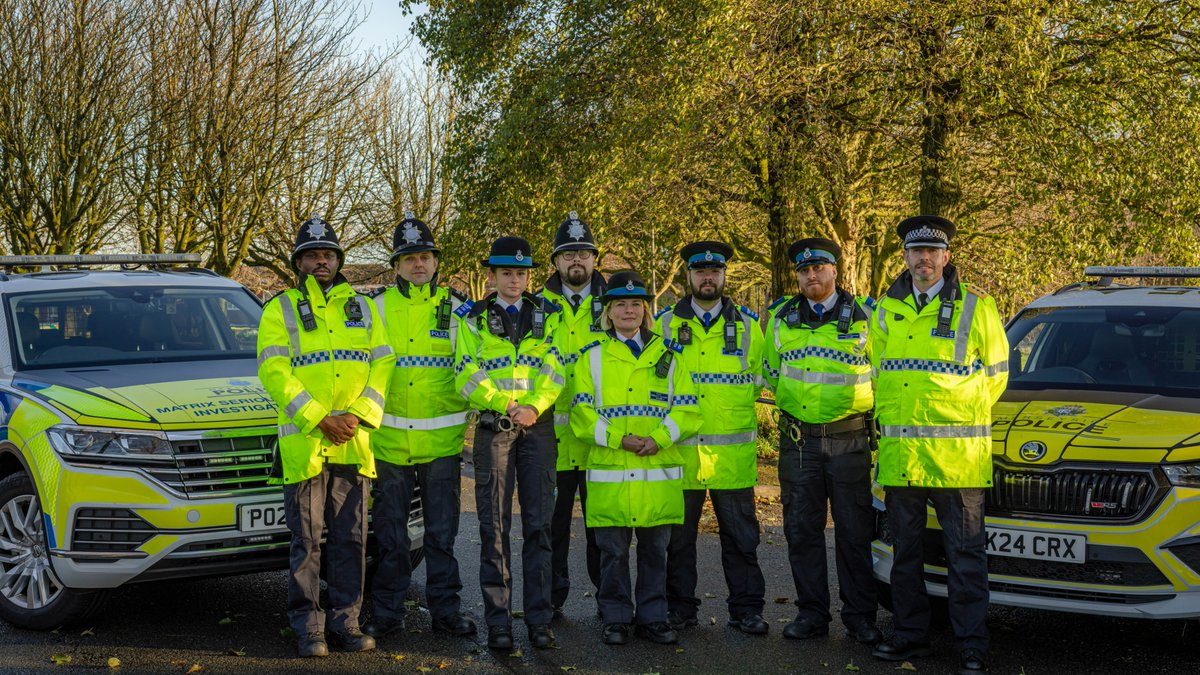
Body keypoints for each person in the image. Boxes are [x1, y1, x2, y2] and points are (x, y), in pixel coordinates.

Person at [868, 216, 1009, 675]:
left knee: (965, 556)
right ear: (905, 257)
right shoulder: (886, 309)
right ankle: (910, 635)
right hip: (903, 457)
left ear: (946, 256)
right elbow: (879, 372)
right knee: (905, 555)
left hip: (958, 460)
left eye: (932, 251)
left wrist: (954, 416)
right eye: (916, 252)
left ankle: (971, 645)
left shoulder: (977, 305)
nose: (923, 259)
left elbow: (997, 376)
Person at [256, 215, 394, 657]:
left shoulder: (364, 308)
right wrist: (320, 419)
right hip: (306, 445)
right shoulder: (280, 309)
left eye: (328, 254)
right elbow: (273, 372)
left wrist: (357, 414)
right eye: (312, 255)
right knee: (307, 543)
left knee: (351, 539)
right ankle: (309, 628)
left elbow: (383, 363)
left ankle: (346, 623)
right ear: (298, 262)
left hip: (353, 441)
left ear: (338, 260)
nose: (321, 261)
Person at [570, 270, 700, 646]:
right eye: (620, 304)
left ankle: (653, 618)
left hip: (656, 473)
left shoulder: (670, 356)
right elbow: (581, 415)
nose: (629, 311)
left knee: (655, 551)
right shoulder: (591, 358)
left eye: (636, 304)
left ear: (645, 311)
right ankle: (615, 618)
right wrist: (619, 440)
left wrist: (658, 439)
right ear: (608, 313)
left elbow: (688, 410)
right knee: (612, 552)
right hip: (612, 472)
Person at [362, 214, 476, 641]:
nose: (419, 264)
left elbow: (474, 367)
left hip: (442, 444)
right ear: (396, 265)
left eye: (425, 257)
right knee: (391, 539)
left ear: (436, 262)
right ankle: (388, 615)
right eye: (410, 258)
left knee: (442, 537)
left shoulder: (459, 308)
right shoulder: (374, 308)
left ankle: (446, 613)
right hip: (389, 444)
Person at [762, 237, 881, 646]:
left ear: (835, 270)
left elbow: (883, 376)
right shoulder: (781, 318)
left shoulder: (867, 317)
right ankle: (811, 614)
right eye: (804, 270)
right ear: (797, 276)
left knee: (854, 532)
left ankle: (860, 617)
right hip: (799, 442)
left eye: (819, 267)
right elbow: (771, 372)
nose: (811, 275)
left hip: (849, 439)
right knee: (801, 532)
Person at [454, 236, 566, 651]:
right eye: (507, 273)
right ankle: (498, 622)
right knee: (494, 528)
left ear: (528, 276)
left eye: (521, 273)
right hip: (495, 426)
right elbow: (465, 372)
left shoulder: (548, 315)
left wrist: (533, 406)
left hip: (538, 428)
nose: (514, 280)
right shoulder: (473, 318)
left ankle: (540, 620)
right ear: (492, 276)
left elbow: (556, 368)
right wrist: (507, 404)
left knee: (539, 526)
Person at [656, 241, 768, 635]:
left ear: (723, 276)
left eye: (714, 272)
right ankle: (679, 609)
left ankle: (747, 610)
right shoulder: (664, 324)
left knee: (742, 540)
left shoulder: (749, 327)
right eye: (700, 271)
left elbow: (758, 382)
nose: (708, 278)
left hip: (731, 459)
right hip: (680, 455)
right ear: (688, 276)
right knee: (677, 542)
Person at [538, 212, 607, 616]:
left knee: (605, 528)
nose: (576, 260)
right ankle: (551, 601)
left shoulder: (616, 302)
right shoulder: (536, 305)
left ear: (595, 259)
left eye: (583, 252)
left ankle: (611, 603)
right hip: (553, 439)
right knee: (553, 528)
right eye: (568, 254)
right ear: (556, 262)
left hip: (602, 438)